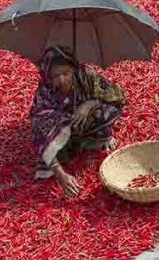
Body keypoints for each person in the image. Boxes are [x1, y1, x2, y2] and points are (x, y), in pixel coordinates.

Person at [29, 45, 126, 196]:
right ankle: (76, 143)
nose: (62, 79)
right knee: (57, 148)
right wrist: (61, 174)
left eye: (66, 73)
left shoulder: (86, 75)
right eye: (55, 76)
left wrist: (88, 104)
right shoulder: (45, 92)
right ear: (47, 75)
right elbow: (40, 131)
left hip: (85, 120)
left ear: (73, 69)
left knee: (102, 110)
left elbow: (116, 96)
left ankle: (100, 137)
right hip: (63, 131)